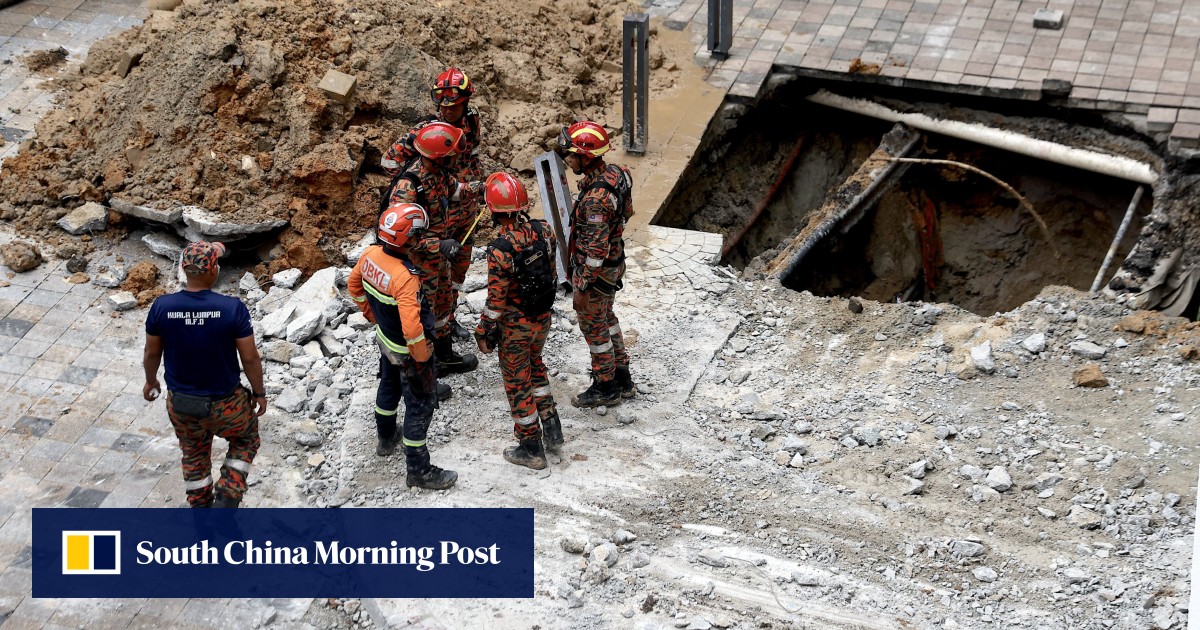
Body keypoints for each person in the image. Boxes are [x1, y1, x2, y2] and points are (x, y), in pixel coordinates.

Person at [142, 241, 265, 509]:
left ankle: (201, 509)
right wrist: (259, 392)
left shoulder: (162, 307)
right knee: (246, 439)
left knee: (194, 453)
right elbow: (250, 357)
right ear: (214, 271)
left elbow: (152, 353)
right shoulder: (232, 308)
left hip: (183, 404)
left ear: (185, 270)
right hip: (227, 403)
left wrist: (151, 380)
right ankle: (229, 494)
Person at [348, 202, 458, 490]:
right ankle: (418, 469)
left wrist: (370, 314)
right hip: (408, 352)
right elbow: (412, 327)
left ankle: (386, 438)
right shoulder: (405, 277)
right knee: (419, 406)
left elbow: (354, 285)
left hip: (385, 341)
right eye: (418, 235)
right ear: (409, 238)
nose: (420, 239)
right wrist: (421, 358)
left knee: (388, 387)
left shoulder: (370, 255)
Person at [381, 67, 483, 342]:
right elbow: (389, 161)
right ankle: (426, 335)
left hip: (464, 205)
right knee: (435, 274)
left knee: (458, 270)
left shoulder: (472, 121)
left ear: (466, 102)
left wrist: (473, 186)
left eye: (455, 106)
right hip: (437, 214)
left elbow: (472, 157)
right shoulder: (427, 130)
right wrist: (418, 187)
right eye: (443, 106)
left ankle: (448, 319)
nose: (448, 111)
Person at [474, 172, 563, 470]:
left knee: (517, 382)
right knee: (535, 365)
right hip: (542, 318)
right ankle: (552, 428)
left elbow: (496, 302)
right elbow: (552, 273)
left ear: (493, 209)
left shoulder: (500, 249)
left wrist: (484, 330)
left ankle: (530, 447)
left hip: (515, 327)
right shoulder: (544, 230)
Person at [387, 121, 481, 378]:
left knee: (442, 306)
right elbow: (399, 235)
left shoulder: (439, 174)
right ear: (439, 158)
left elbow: (457, 192)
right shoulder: (408, 187)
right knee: (421, 314)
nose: (456, 160)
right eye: (452, 156)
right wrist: (437, 244)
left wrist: (482, 187)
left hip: (438, 260)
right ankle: (421, 374)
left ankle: (444, 358)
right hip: (418, 263)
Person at [555, 121, 637, 408]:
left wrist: (581, 286)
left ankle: (606, 386)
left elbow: (594, 252)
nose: (568, 160)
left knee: (594, 328)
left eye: (571, 155)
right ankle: (623, 378)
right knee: (608, 318)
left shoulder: (594, 201)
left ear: (585, 157)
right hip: (616, 264)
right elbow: (627, 213)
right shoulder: (619, 174)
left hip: (598, 273)